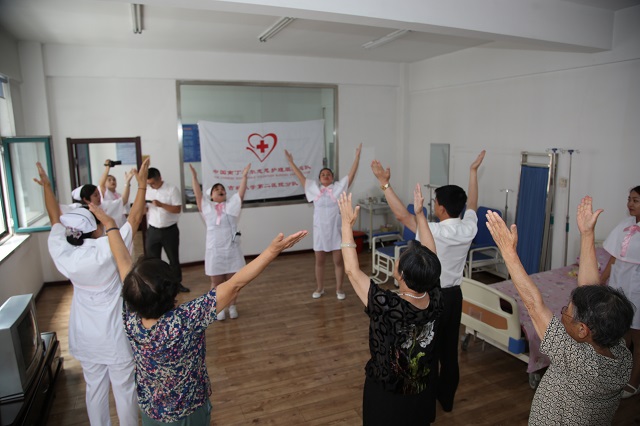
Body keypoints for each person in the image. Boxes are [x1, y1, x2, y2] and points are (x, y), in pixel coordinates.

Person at [88, 202, 307, 424]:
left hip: (150, 412)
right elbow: (234, 285)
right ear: (171, 289)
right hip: (188, 414)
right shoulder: (185, 320)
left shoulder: (131, 315)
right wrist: (272, 251)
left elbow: (123, 261)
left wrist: (110, 224)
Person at [486, 196, 634, 425]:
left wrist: (508, 253)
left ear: (583, 330)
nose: (562, 313)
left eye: (566, 311)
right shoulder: (620, 351)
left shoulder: (579, 363)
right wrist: (587, 234)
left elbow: (535, 306)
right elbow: (589, 291)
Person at [35, 158, 150, 426]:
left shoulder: (64, 252)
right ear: (96, 227)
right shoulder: (107, 248)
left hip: (85, 336)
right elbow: (134, 218)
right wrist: (142, 186)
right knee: (124, 389)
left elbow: (54, 218)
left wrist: (47, 188)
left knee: (94, 388)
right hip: (114, 335)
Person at [371, 150, 485, 411]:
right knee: (450, 353)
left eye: (435, 202)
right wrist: (473, 172)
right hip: (455, 296)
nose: (433, 205)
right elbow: (473, 204)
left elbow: (403, 216)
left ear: (441, 208)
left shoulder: (433, 231)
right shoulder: (469, 227)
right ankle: (447, 401)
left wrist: (385, 184)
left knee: (428, 351)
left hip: (433, 297)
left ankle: (427, 402)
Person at [337, 186, 443, 425]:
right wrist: (420, 215)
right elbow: (431, 255)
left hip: (387, 397)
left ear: (401, 275)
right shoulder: (435, 294)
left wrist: (346, 225)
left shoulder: (388, 306)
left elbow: (352, 271)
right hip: (421, 390)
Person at [285, 143, 362, 300]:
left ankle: (339, 289)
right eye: (323, 174)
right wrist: (291, 162)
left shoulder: (338, 188)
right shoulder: (314, 189)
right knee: (319, 262)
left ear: (332, 178)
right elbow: (301, 177)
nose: (325, 176)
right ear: (319, 179)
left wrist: (357, 157)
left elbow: (351, 175)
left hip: (335, 231)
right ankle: (320, 288)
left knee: (338, 262)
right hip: (320, 231)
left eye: (328, 174)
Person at [189, 163, 251, 320]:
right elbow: (197, 195)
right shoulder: (207, 208)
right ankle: (218, 308)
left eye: (222, 189)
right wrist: (194, 178)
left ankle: (232, 306)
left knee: (233, 282)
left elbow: (241, 193)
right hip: (215, 251)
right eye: (216, 189)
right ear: (211, 196)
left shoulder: (232, 205)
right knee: (216, 283)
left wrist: (244, 176)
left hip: (232, 250)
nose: (220, 190)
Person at [601, 185, 640, 398]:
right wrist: (601, 280)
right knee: (621, 336)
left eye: (635, 200)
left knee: (637, 337)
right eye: (629, 199)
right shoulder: (625, 224)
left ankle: (633, 382)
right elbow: (614, 257)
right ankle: (618, 376)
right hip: (620, 287)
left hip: (638, 291)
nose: (630, 204)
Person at [145, 167, 189, 292]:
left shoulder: (172, 189)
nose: (151, 186)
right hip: (153, 230)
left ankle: (176, 284)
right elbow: (145, 210)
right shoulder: (147, 191)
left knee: (173, 259)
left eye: (153, 183)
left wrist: (161, 205)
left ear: (160, 178)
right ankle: (156, 286)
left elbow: (177, 209)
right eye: (149, 184)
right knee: (153, 260)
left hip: (170, 230)